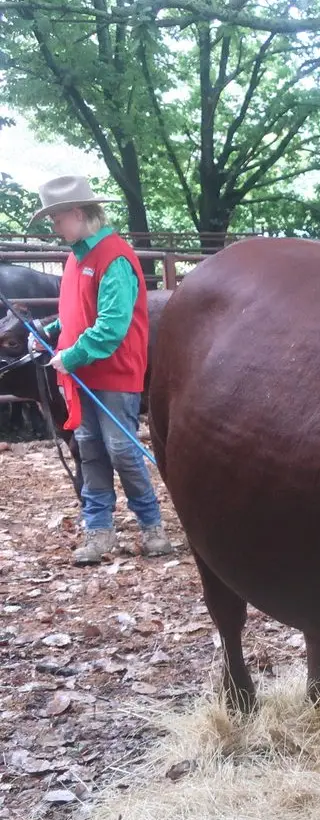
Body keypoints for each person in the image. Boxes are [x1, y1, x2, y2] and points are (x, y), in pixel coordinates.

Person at [27, 175, 172, 565]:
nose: (54, 228)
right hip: (82, 375)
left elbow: (111, 325)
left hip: (113, 373)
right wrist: (51, 330)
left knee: (122, 449)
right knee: (89, 449)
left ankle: (152, 525)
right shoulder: (76, 258)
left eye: (56, 219)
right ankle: (99, 530)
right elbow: (77, 314)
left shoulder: (114, 257)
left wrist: (70, 356)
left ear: (77, 213)